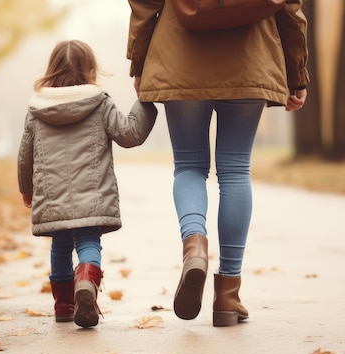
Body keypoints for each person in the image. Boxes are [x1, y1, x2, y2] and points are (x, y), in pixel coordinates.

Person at [127, 1, 309, 326]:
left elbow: (144, 5)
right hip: (250, 57)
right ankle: (228, 295)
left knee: (188, 166)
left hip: (178, 55)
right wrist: (296, 74)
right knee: (236, 170)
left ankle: (194, 246)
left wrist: (140, 62)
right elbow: (290, 10)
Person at [18, 40, 157, 328]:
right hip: (92, 196)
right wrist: (146, 100)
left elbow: (25, 154)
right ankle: (87, 279)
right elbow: (129, 134)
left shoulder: (37, 108)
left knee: (59, 247)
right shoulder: (100, 102)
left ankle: (65, 305)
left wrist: (26, 189)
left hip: (53, 196)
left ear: (51, 70)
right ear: (90, 69)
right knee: (88, 241)